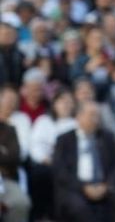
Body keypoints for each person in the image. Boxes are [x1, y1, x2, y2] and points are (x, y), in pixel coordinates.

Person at [53, 101, 115, 222]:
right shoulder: (64, 140)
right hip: (76, 189)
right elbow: (60, 170)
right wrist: (83, 187)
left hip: (104, 186)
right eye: (92, 115)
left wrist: (107, 186)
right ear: (79, 117)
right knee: (79, 208)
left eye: (98, 116)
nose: (96, 119)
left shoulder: (108, 137)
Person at [28, 89, 77, 220]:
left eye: (69, 102)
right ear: (54, 104)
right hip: (47, 163)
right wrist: (45, 159)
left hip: (70, 167)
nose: (66, 105)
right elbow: (35, 145)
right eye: (62, 101)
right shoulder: (44, 120)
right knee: (40, 174)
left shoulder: (77, 123)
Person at [0, 118, 30, 221]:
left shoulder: (8, 130)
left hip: (5, 180)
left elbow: (14, 157)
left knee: (20, 202)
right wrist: (2, 150)